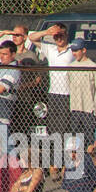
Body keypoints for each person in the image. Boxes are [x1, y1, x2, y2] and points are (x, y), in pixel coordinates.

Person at [31, 24, 74, 170]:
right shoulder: (51, 49)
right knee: (53, 129)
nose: (59, 39)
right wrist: (47, 32)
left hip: (67, 94)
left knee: (64, 129)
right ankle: (56, 162)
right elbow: (31, 38)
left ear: (66, 35)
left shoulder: (72, 50)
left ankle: (64, 163)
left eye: (61, 35)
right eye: (56, 36)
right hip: (53, 94)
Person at [67, 39, 96, 155]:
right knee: (75, 139)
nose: (74, 53)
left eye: (76, 50)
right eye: (73, 51)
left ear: (84, 50)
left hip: (89, 109)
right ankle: (77, 165)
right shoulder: (71, 67)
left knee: (90, 139)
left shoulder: (93, 66)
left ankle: (92, 164)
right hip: (75, 108)